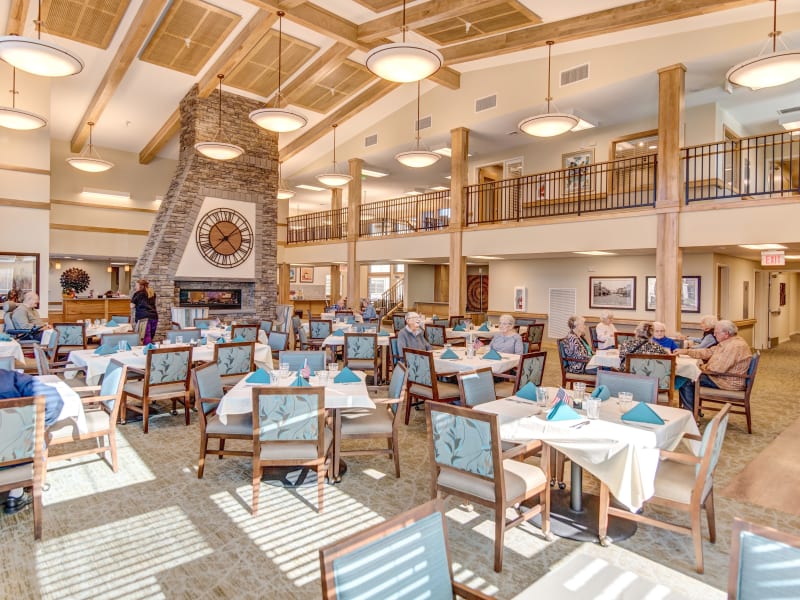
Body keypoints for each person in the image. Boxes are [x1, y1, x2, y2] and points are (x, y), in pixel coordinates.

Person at [0, 369, 64, 515]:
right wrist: (39, 425)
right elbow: (53, 401)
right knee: (35, 440)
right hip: (14, 457)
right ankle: (15, 494)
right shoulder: (10, 379)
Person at [676, 319, 752, 413]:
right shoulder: (729, 342)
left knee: (686, 379)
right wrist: (687, 351)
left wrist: (702, 367)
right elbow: (709, 352)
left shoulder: (734, 346)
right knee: (690, 375)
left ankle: (690, 414)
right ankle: (694, 410)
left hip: (726, 381)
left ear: (726, 333)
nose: (714, 335)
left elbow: (717, 369)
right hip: (723, 377)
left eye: (716, 332)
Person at [131, 279, 158, 345]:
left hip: (144, 319)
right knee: (150, 338)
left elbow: (132, 306)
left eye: (136, 285)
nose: (135, 287)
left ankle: (146, 354)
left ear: (141, 286)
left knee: (145, 339)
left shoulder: (138, 294)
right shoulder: (152, 292)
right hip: (154, 317)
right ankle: (150, 352)